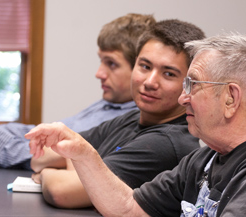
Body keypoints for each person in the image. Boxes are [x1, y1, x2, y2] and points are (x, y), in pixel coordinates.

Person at [26, 33, 246, 216]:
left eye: (193, 85)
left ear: (231, 98)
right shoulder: (203, 160)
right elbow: (129, 207)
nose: (183, 98)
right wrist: (82, 153)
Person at [27, 19, 205, 208]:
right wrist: (75, 163)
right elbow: (41, 155)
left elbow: (62, 192)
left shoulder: (166, 144)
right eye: (145, 66)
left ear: (189, 84)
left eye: (169, 74)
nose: (150, 82)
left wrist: (45, 173)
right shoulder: (132, 118)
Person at [0, 13, 156, 170]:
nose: (99, 73)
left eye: (112, 64)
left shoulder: (130, 122)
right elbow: (39, 136)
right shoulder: (109, 103)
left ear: (141, 69)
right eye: (101, 61)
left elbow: (56, 156)